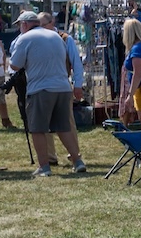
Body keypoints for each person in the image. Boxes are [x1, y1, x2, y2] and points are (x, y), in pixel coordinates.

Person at [7, 10, 84, 175]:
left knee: (37, 129)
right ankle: (77, 161)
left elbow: (14, 65)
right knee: (64, 127)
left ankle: (44, 166)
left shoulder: (24, 38)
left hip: (41, 88)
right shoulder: (56, 36)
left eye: (20, 25)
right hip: (63, 87)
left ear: (25, 24)